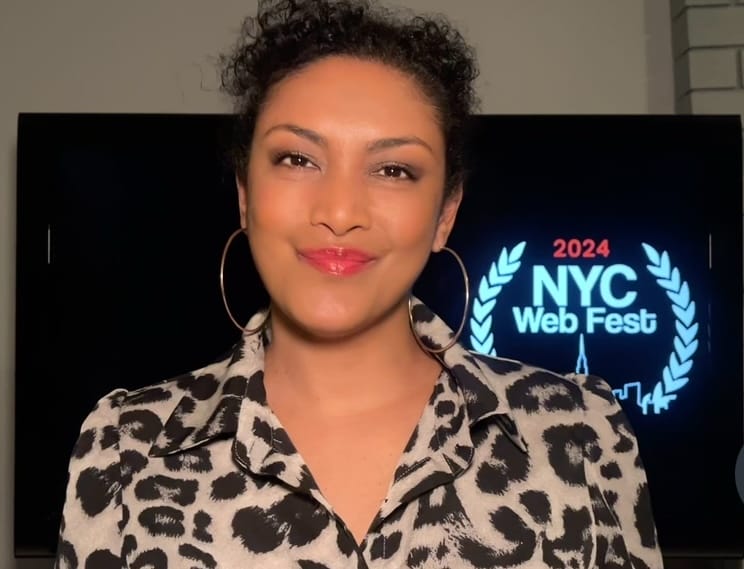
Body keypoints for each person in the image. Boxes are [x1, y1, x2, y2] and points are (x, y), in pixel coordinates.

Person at [54, 0, 663, 567]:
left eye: (393, 169)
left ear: (445, 213)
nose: (341, 210)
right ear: (245, 193)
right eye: (298, 159)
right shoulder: (124, 450)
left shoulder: (581, 432)